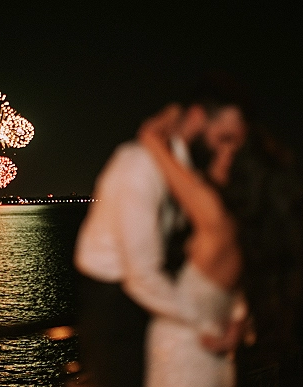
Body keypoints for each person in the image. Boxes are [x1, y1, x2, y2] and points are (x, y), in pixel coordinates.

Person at [73, 71, 256, 387]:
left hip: (165, 298)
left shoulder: (193, 176)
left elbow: (222, 251)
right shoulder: (138, 166)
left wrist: (238, 315)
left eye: (236, 145)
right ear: (198, 118)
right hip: (115, 309)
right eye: (224, 139)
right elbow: (141, 277)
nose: (229, 154)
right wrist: (207, 323)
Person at [136, 102, 303, 385]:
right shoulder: (245, 229)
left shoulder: (213, 218)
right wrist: (238, 324)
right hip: (210, 361)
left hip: (182, 361)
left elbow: (150, 138)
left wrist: (177, 115)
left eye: (230, 147)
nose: (220, 152)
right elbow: (240, 294)